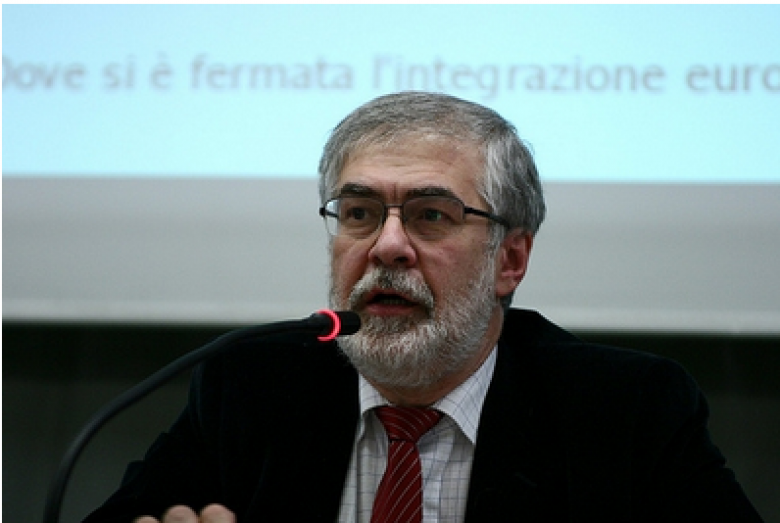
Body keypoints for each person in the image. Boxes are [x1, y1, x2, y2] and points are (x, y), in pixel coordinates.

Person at [84, 91, 762, 523]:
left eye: (431, 215)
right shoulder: (249, 385)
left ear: (510, 259)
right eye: (358, 212)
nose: (386, 246)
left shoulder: (626, 410)